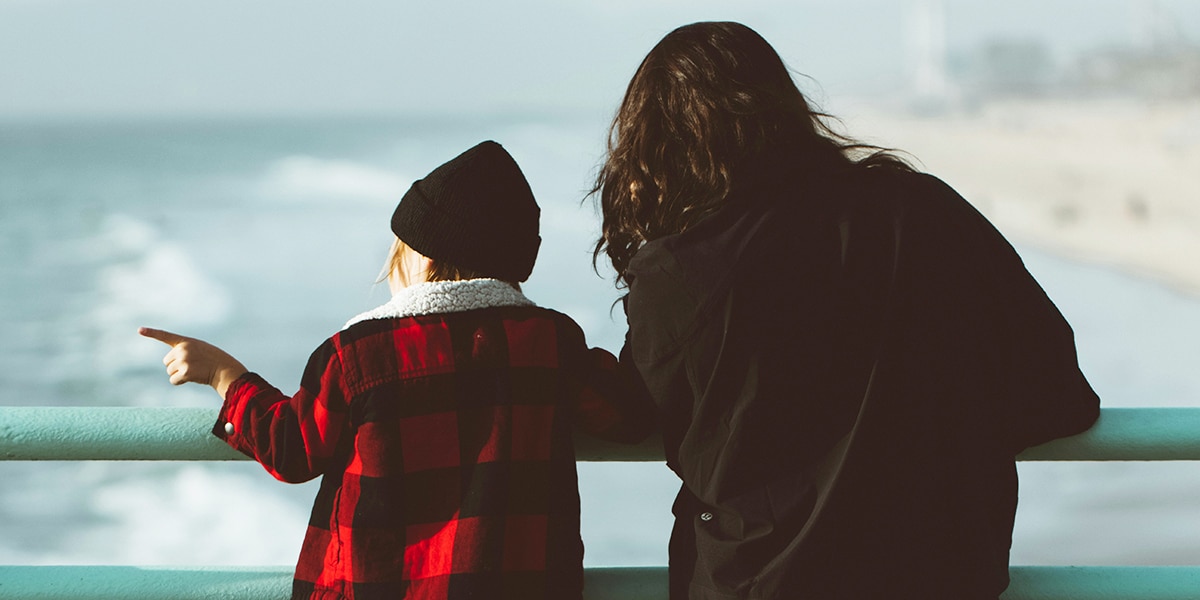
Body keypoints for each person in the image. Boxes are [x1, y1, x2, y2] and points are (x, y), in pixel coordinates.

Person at [592, 22, 1101, 600]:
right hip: (941, 575)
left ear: (657, 147)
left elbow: (643, 416)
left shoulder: (677, 274)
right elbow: (1058, 393)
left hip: (758, 582)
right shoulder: (926, 212)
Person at [141, 140, 653, 600]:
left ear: (419, 258)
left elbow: (293, 449)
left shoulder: (357, 353)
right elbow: (627, 417)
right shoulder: (551, 342)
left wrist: (224, 376)